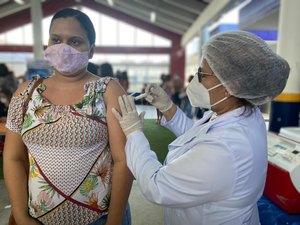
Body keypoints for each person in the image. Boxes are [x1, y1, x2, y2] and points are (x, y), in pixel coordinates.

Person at [111, 31, 290, 225]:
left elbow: (157, 186)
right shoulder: (240, 112)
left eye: (202, 75)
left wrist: (134, 134)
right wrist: (168, 108)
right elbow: (197, 136)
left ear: (232, 87)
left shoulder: (227, 148)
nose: (195, 80)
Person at [3, 8, 132, 225]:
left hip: (99, 219)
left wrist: (114, 222)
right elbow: (12, 157)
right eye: (56, 39)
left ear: (91, 50)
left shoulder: (108, 91)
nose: (63, 48)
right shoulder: (25, 93)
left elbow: (124, 161)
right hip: (38, 219)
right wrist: (22, 216)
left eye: (74, 41)